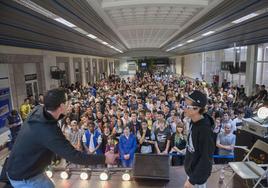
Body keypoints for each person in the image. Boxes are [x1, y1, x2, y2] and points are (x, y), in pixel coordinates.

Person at [6, 88, 104, 188]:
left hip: (20, 168)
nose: (69, 104)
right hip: (25, 177)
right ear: (61, 106)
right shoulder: (48, 130)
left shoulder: (37, 110)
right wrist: (104, 158)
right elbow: (74, 156)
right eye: (67, 102)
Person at [183, 90, 215, 188]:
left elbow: (206, 159)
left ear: (196, 109)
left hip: (197, 177)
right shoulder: (194, 121)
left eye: (187, 106)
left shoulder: (205, 130)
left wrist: (192, 181)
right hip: (191, 171)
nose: (184, 109)